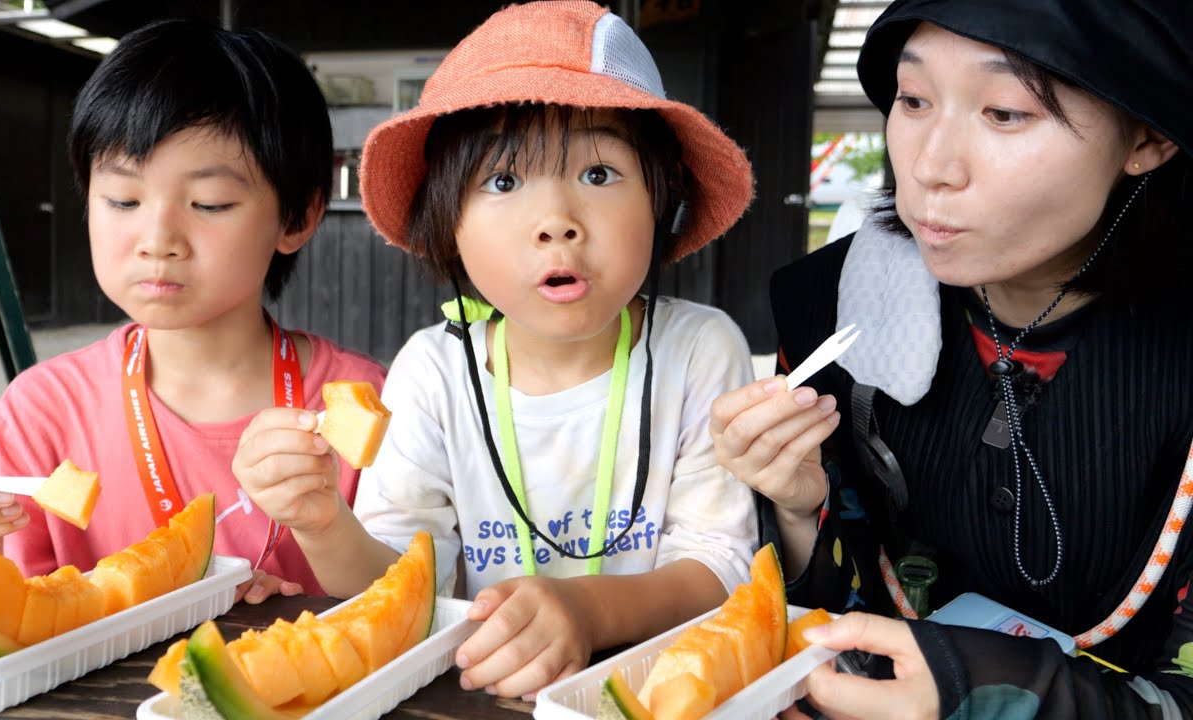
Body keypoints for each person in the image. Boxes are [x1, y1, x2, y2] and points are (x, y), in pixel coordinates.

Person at [233, 0, 758, 699]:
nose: (557, 224)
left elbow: (721, 568)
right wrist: (324, 522)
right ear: (449, 224)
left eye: (599, 174)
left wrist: (586, 610)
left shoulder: (699, 350)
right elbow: (398, 594)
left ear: (663, 200)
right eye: (504, 182)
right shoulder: (433, 370)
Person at [711, 0, 1193, 716]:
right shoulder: (829, 307)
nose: (930, 167)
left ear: (1149, 135)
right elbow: (816, 619)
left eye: (1004, 112)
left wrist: (1011, 695)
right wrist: (794, 505)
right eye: (912, 99)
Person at [0, 19, 385, 604]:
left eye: (208, 203)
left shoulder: (364, 403)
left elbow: (421, 598)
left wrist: (326, 527)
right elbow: (18, 613)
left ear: (297, 218)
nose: (157, 238)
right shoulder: (43, 413)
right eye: (123, 199)